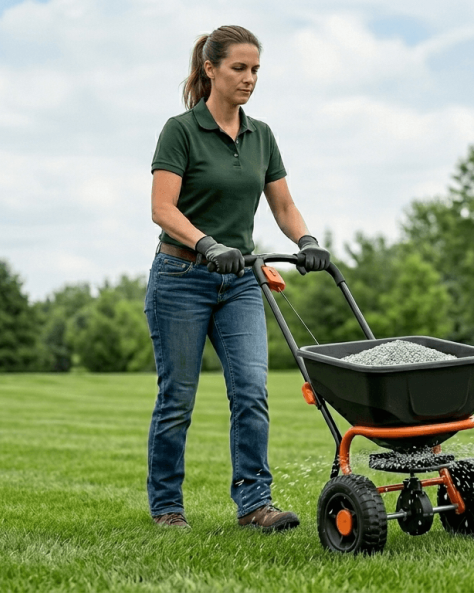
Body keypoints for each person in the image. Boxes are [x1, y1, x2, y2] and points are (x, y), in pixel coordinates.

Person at [144, 25, 330, 532]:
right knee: (177, 397)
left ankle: (255, 505)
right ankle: (166, 507)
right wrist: (206, 243)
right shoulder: (180, 130)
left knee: (251, 390)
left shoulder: (261, 134)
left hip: (242, 281)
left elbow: (283, 204)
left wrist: (307, 242)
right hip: (182, 277)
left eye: (255, 71)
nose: (249, 79)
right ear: (210, 69)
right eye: (238, 69)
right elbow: (162, 209)